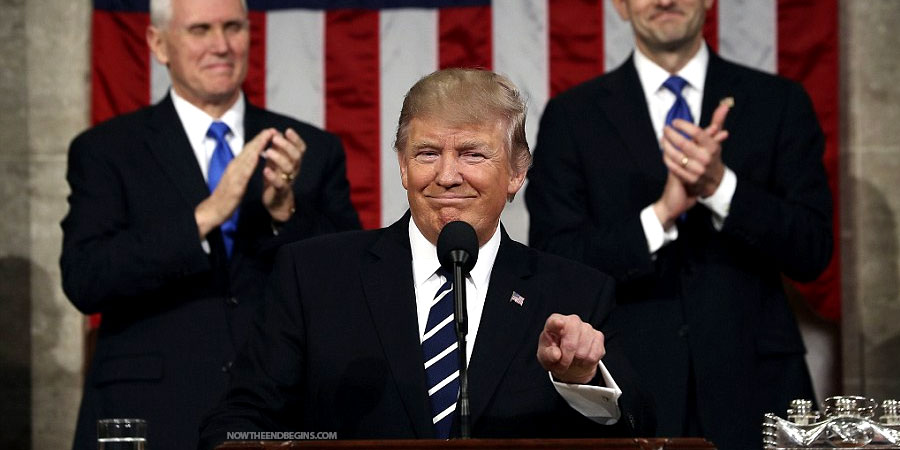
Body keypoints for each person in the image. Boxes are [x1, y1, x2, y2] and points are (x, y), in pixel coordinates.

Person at [197, 68, 653, 449]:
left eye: (473, 154)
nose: (448, 175)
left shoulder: (574, 292)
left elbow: (638, 429)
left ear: (517, 173)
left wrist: (581, 380)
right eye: (427, 153)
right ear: (401, 166)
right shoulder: (314, 276)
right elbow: (236, 425)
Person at [525, 0, 832, 449]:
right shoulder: (573, 116)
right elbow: (557, 260)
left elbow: (813, 250)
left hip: (757, 390)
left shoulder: (778, 102)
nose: (665, 0)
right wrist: (660, 215)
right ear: (621, 6)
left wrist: (721, 186)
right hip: (632, 388)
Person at [60, 0, 361, 448]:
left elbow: (350, 285)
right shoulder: (106, 150)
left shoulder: (309, 149)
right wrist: (205, 216)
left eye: (233, 27)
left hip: (276, 416)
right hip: (150, 413)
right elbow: (86, 279)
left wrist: (286, 215)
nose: (221, 45)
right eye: (200, 29)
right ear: (158, 44)